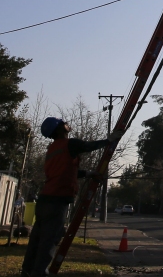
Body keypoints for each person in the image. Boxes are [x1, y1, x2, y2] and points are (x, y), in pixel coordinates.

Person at [20, 117, 116, 277]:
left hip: (45, 200)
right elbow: (88, 146)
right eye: (63, 123)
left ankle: (27, 270)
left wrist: (87, 173)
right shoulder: (69, 144)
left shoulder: (52, 149)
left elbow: (64, 171)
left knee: (37, 239)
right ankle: (38, 273)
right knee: (49, 240)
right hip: (57, 200)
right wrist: (109, 140)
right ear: (59, 129)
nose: (66, 123)